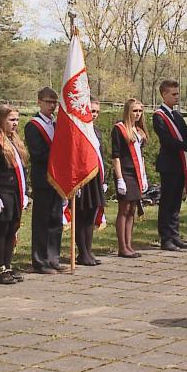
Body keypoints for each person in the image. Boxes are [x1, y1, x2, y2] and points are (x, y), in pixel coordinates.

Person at [153, 79, 187, 251]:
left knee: (176, 202)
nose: (177, 97)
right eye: (173, 94)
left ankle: (174, 235)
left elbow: (185, 135)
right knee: (167, 202)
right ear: (164, 94)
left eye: (177, 94)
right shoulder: (159, 116)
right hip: (168, 165)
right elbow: (169, 142)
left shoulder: (177, 115)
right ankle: (165, 238)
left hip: (180, 165)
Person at [0, 104, 29, 285]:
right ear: (1, 120)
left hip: (15, 193)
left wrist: (25, 193)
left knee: (12, 229)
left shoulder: (15, 141)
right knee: (1, 231)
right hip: (2, 194)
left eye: (17, 119)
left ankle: (8, 266)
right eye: (11, 120)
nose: (15, 123)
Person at [25, 87, 66, 274]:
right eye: (48, 102)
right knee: (41, 221)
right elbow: (38, 153)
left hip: (57, 178)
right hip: (43, 178)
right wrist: (57, 154)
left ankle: (53, 257)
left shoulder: (57, 125)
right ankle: (40, 260)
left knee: (56, 219)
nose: (52, 105)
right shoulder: (33, 125)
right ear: (39, 101)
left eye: (54, 102)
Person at [113, 99, 149, 256]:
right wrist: (119, 178)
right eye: (135, 111)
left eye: (140, 111)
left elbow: (141, 156)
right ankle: (122, 247)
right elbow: (116, 156)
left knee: (132, 209)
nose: (138, 114)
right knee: (124, 209)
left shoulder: (139, 130)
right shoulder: (119, 129)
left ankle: (129, 244)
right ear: (128, 111)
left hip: (136, 173)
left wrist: (144, 175)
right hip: (125, 173)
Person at [75, 98, 107, 265]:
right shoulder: (79, 131)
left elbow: (101, 157)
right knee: (81, 216)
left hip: (96, 178)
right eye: (91, 111)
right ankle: (82, 253)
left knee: (91, 215)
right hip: (82, 179)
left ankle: (88, 250)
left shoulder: (97, 131)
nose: (94, 115)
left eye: (96, 112)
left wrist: (105, 178)